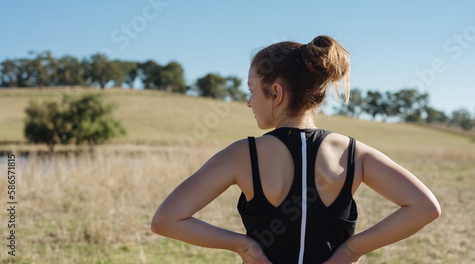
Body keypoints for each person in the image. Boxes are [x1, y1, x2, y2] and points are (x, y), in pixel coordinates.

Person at [151, 35, 441, 263]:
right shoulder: (353, 153)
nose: (249, 102)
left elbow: (165, 220)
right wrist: (352, 251)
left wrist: (245, 247)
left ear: (276, 93)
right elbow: (425, 207)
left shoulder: (243, 155)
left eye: (251, 89)